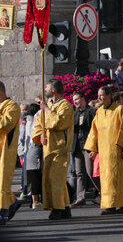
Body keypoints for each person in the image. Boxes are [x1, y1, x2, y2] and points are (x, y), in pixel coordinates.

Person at [84, 86, 123, 215]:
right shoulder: (99, 112)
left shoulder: (120, 110)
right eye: (98, 95)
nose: (99, 98)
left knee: (117, 178)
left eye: (102, 95)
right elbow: (94, 131)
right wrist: (92, 148)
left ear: (110, 95)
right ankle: (109, 205)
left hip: (116, 150)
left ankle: (121, 203)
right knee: (106, 179)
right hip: (103, 152)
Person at [31, 78, 74, 220]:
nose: (45, 90)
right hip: (48, 148)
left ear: (54, 90)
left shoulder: (65, 105)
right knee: (53, 179)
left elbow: (58, 123)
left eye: (47, 87)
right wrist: (40, 135)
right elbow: (39, 123)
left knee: (56, 178)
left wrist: (47, 110)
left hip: (60, 147)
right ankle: (66, 207)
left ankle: (58, 208)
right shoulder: (47, 104)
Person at [0, 81, 22, 225]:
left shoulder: (12, 106)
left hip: (5, 151)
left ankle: (3, 212)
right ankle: (13, 203)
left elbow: (6, 124)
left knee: (2, 182)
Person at [70, 92, 96, 207]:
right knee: (79, 173)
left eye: (77, 99)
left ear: (83, 99)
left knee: (91, 172)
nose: (75, 102)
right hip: (77, 146)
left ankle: (102, 193)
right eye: (73, 100)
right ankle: (81, 198)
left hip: (88, 145)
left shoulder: (91, 111)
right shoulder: (74, 114)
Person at [25, 103, 42, 209]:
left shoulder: (30, 121)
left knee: (32, 175)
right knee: (35, 175)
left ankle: (35, 200)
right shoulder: (36, 118)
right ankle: (35, 201)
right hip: (35, 148)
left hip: (30, 150)